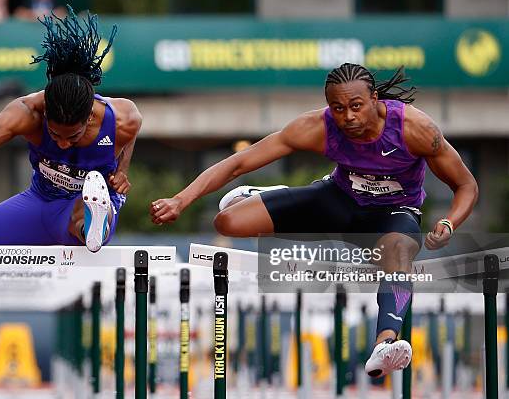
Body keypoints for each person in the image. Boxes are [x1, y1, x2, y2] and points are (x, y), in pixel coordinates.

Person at [150, 63, 478, 378]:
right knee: (228, 223)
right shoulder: (318, 127)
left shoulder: (414, 130)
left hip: (392, 216)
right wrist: (181, 199)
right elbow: (239, 163)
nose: (347, 117)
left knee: (399, 252)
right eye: (337, 108)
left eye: (356, 106)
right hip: (338, 201)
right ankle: (274, 194)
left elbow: (466, 185)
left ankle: (385, 343)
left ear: (375, 99)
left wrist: (450, 222)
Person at [0, 8, 141, 280]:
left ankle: (96, 220)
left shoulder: (122, 118)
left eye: (72, 137)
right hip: (38, 201)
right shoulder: (28, 111)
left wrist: (122, 171)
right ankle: (89, 222)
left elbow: (131, 134)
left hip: (80, 206)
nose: (61, 144)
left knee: (80, 218)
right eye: (54, 134)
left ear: (89, 117)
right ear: (45, 113)